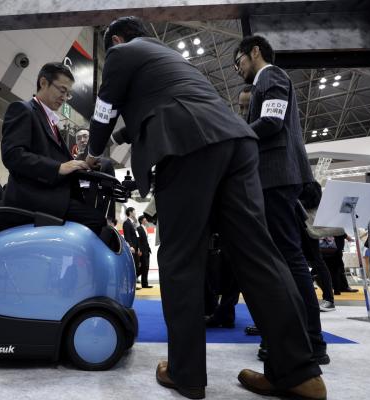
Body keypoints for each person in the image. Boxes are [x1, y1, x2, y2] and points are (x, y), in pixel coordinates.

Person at [86, 16, 325, 400]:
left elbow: (104, 109)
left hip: (188, 145)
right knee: (258, 256)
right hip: (237, 143)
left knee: (181, 258)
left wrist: (92, 153)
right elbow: (154, 111)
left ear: (116, 39)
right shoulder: (172, 62)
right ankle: (299, 372)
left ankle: (187, 373)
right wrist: (119, 138)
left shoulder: (122, 53)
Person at [234, 35, 328, 365]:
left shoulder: (271, 75)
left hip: (276, 177)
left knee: (289, 259)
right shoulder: (267, 79)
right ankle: (305, 339)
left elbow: (272, 123)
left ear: (255, 51)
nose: (239, 68)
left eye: (240, 60)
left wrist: (237, 134)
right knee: (287, 258)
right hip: (275, 178)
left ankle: (311, 341)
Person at [1, 62, 105, 235]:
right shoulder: (22, 109)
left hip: (50, 194)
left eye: (68, 94)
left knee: (97, 214)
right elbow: (12, 155)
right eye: (62, 91)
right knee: (96, 220)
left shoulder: (51, 121)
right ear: (43, 83)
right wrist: (58, 168)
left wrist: (80, 164)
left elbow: (55, 158)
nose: (64, 97)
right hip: (33, 197)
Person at [123, 207, 141, 289]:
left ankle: (134, 284)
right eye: (134, 211)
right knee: (132, 266)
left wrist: (138, 248)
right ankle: (131, 285)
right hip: (132, 248)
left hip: (136, 247)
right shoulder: (126, 223)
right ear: (130, 212)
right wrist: (130, 246)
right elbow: (127, 236)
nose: (135, 213)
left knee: (136, 265)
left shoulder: (133, 223)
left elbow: (136, 236)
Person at [137, 215, 153, 288]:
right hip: (142, 251)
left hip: (147, 250)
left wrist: (149, 249)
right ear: (141, 221)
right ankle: (134, 277)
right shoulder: (139, 228)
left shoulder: (145, 228)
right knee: (144, 267)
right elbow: (139, 240)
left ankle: (144, 284)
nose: (146, 220)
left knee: (146, 267)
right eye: (144, 219)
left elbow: (146, 241)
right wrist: (139, 249)